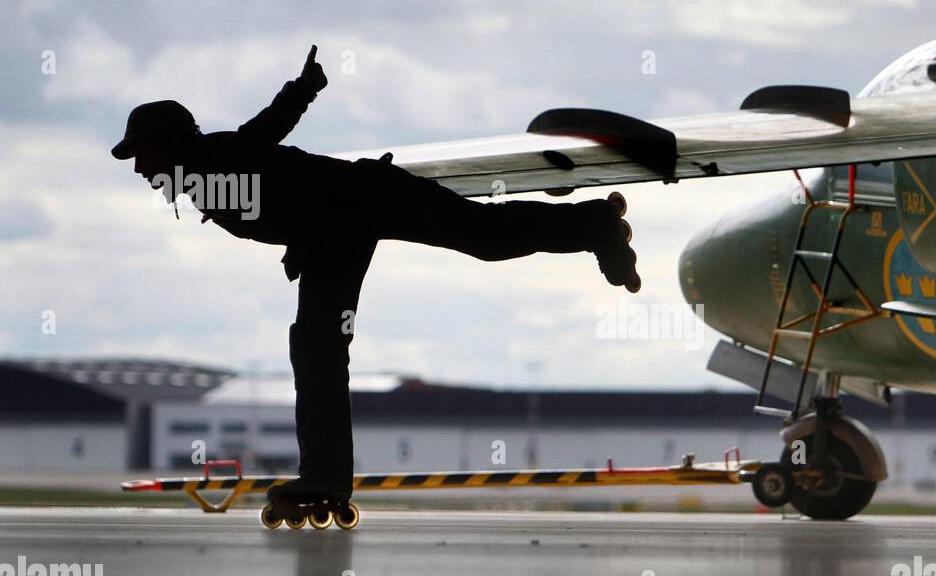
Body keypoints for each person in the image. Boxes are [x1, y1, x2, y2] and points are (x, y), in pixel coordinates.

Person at [112, 46, 640, 509]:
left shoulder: (211, 163)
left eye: (143, 154)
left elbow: (264, 134)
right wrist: (298, 243)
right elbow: (287, 198)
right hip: (335, 230)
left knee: (481, 237)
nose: (139, 169)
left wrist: (304, 89)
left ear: (172, 143)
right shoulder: (205, 179)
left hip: (366, 199)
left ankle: (592, 224)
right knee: (319, 347)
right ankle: (323, 479)